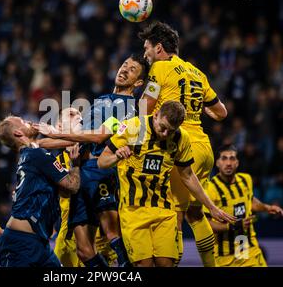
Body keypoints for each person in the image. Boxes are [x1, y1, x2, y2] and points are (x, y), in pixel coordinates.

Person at [35, 54, 149, 267]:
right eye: (124, 64)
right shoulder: (101, 99)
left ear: (139, 82)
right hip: (80, 173)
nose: (124, 70)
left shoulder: (130, 108)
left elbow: (99, 136)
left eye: (132, 69)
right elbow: (76, 139)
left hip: (102, 171)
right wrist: (36, 142)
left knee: (112, 233)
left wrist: (54, 134)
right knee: (84, 250)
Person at [98, 101, 236, 267]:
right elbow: (102, 162)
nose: (164, 134)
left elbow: (188, 176)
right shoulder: (133, 126)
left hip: (164, 210)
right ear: (155, 115)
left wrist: (212, 207)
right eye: (162, 127)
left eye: (170, 131)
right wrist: (117, 157)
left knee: (166, 264)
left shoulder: (181, 138)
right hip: (133, 211)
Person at [138, 21, 228, 266]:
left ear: (158, 48)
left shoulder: (160, 68)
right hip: (204, 148)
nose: (144, 54)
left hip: (180, 146)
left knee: (173, 217)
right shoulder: (197, 72)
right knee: (195, 214)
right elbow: (221, 112)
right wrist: (193, 109)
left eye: (146, 48)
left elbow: (145, 108)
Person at [0, 115, 81, 267]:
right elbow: (72, 186)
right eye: (23, 122)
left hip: (39, 243)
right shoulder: (37, 155)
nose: (29, 122)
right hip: (20, 244)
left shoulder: (30, 155)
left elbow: (64, 192)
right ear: (18, 133)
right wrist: (76, 165)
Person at [53, 108, 117, 266]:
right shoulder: (55, 162)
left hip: (102, 241)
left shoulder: (103, 153)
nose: (79, 117)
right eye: (72, 114)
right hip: (68, 242)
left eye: (81, 115)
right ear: (60, 127)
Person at [206, 144, 283, 267]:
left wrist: (267, 208)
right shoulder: (210, 189)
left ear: (237, 163)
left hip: (249, 250)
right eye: (224, 158)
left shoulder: (246, 179)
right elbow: (206, 224)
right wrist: (232, 226)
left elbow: (250, 201)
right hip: (225, 257)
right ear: (217, 163)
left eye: (232, 158)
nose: (228, 163)